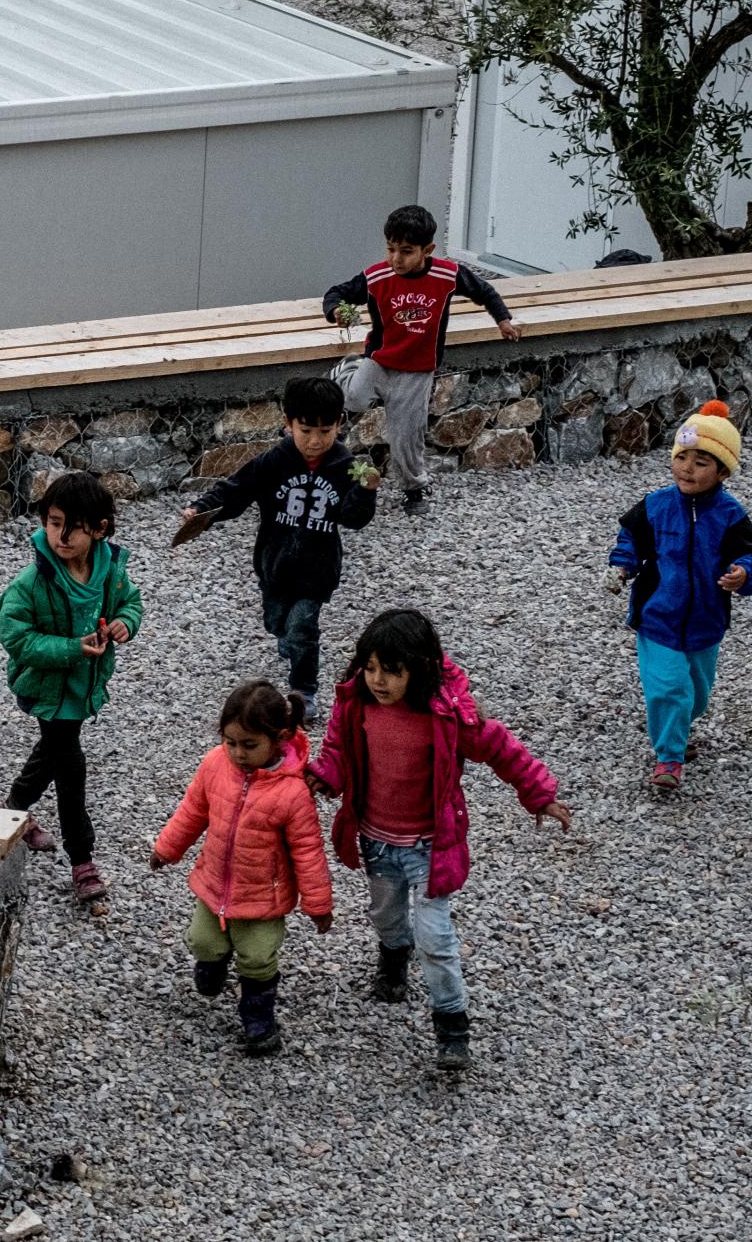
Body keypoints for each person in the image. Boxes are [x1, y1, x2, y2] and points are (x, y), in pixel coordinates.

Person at [306, 607, 572, 1072]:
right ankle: (393, 960)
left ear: (420, 669)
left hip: (430, 847)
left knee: (437, 939)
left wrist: (539, 793)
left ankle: (452, 1024)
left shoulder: (445, 715)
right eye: (370, 669)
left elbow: (500, 747)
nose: (378, 681)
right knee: (385, 916)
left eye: (391, 671)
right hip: (376, 840)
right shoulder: (355, 705)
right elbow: (337, 752)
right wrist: (323, 778)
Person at [176, 374, 378, 725]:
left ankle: (304, 690)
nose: (315, 441)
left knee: (303, 625)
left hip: (317, 569)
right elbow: (235, 490)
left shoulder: (346, 467)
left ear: (339, 425)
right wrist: (201, 509)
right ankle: (286, 639)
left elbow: (354, 518)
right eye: (306, 431)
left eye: (325, 431)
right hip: (275, 564)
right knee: (276, 621)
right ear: (288, 425)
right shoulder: (273, 462)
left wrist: (365, 491)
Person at [150, 681, 335, 1057]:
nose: (237, 753)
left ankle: (258, 1016)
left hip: (263, 896)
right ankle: (213, 964)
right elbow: (192, 813)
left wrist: (318, 905)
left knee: (258, 957)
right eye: (230, 742)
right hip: (214, 884)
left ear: (280, 739)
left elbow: (308, 851)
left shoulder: (293, 793)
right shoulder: (214, 765)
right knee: (202, 940)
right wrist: (166, 849)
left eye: (249, 745)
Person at [609, 399, 752, 794]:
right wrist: (621, 566)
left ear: (722, 472)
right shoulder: (656, 505)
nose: (688, 468)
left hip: (706, 622)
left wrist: (743, 573)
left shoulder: (730, 515)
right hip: (657, 618)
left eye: (702, 462)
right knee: (669, 688)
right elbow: (630, 539)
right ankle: (669, 758)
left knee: (697, 694)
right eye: (683, 457)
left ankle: (678, 727)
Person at [0, 471, 144, 910]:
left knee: (55, 748)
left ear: (99, 529)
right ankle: (83, 861)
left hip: (83, 686)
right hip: (46, 686)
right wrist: (70, 649)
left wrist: (125, 625)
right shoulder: (33, 579)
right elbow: (14, 635)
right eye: (53, 521)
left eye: (73, 526)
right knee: (69, 765)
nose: (60, 535)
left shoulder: (110, 572)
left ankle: (14, 807)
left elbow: (131, 604)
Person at [322, 204, 522, 510]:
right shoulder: (376, 277)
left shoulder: (447, 275)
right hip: (378, 360)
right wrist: (336, 311)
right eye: (390, 249)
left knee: (405, 437)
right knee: (355, 399)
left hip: (416, 371)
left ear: (427, 250)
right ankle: (349, 368)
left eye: (406, 251)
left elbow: (485, 292)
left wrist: (503, 320)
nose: (396, 259)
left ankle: (414, 490)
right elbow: (337, 292)